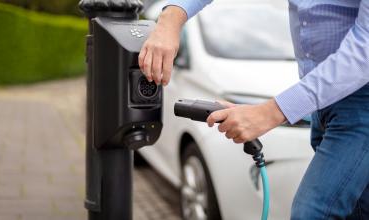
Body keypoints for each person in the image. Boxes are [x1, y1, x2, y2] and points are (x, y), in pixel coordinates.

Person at [139, 0, 369, 219]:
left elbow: (365, 50)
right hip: (322, 101)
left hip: (361, 102)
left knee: (311, 213)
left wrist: (269, 113)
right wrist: (169, 19)